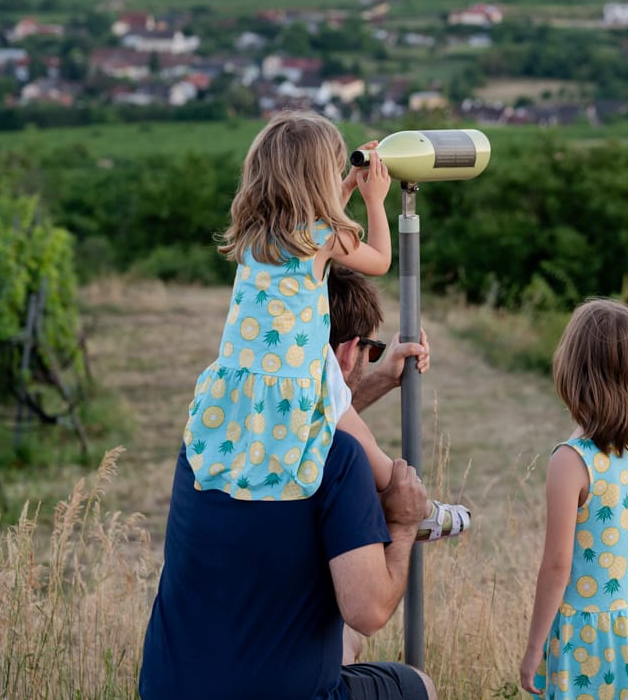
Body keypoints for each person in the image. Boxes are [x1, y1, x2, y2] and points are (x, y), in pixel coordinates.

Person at [141, 267, 439, 700]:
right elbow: (369, 610)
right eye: (371, 351)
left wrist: (378, 380)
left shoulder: (207, 441)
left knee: (343, 641)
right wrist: (406, 525)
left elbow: (298, 421)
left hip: (165, 688)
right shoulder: (339, 461)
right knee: (418, 686)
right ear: (350, 350)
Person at [182, 109, 467, 539]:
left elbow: (319, 223)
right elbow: (379, 259)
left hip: (249, 381)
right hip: (304, 380)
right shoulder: (324, 237)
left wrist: (349, 185)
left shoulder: (254, 234)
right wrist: (374, 200)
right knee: (370, 452)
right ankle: (417, 507)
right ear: (317, 181)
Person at [518, 299, 628, 699]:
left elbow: (558, 566)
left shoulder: (571, 461)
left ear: (572, 372)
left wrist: (534, 649)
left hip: (589, 637)